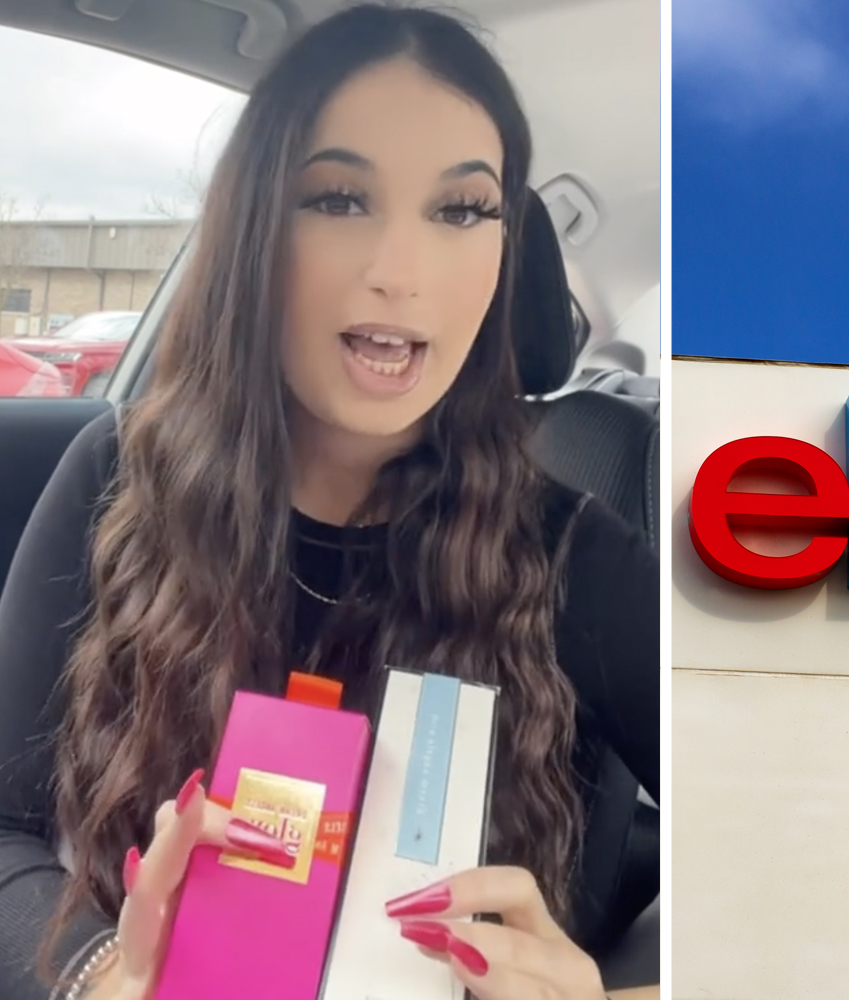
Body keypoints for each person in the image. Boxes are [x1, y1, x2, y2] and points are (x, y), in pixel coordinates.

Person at [0, 7, 660, 1000]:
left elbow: (807, 841)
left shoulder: (571, 551)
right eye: (340, 198)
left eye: (461, 210)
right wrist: (102, 976)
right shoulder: (119, 479)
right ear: (255, 230)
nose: (399, 273)